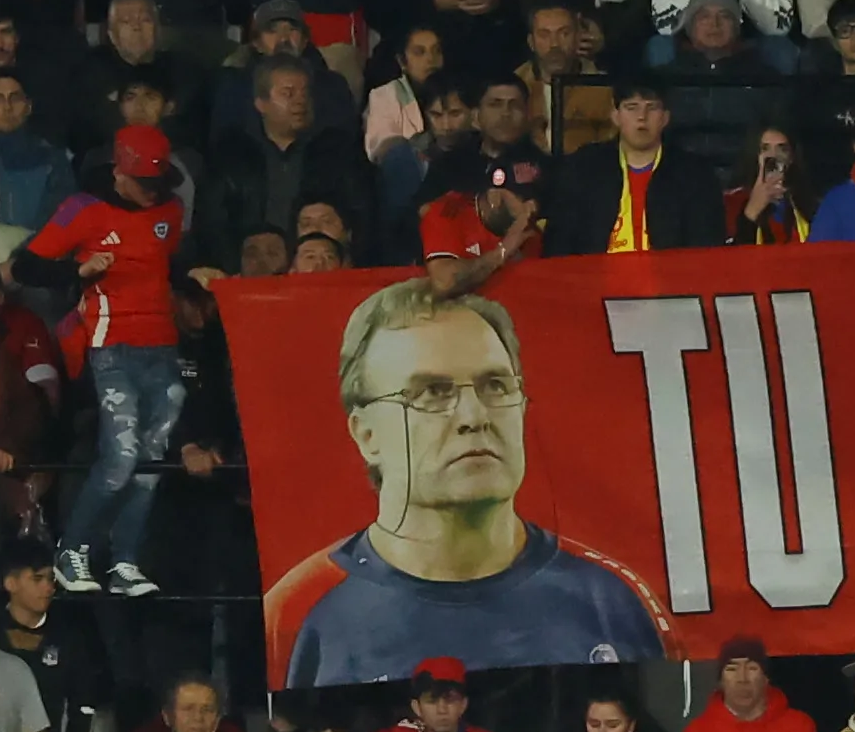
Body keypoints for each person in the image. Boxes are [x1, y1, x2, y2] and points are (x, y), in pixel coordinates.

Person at [268, 276, 675, 681]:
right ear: (367, 435)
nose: (474, 416)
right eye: (431, 392)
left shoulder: (614, 602)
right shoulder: (294, 616)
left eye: (495, 385)